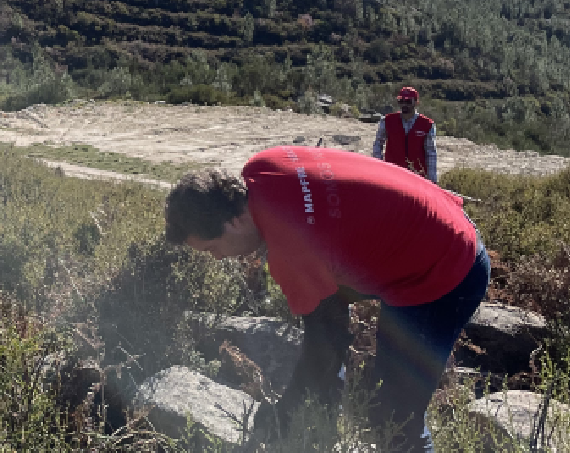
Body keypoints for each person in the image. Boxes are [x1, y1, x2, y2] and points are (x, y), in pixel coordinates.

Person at [164, 147, 489, 453]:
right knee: (325, 327)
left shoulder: (290, 251)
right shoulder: (262, 168)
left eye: (212, 248)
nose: (218, 258)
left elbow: (326, 343)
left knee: (394, 418)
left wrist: (283, 413)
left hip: (446, 269)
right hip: (434, 223)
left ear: (233, 222)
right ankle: (327, 421)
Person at [372, 86, 438, 183]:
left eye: (408, 101)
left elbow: (431, 153)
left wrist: (432, 180)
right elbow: (378, 143)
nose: (404, 104)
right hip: (392, 173)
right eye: (401, 101)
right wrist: (380, 165)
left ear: (416, 102)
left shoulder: (427, 125)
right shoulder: (387, 121)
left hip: (417, 175)